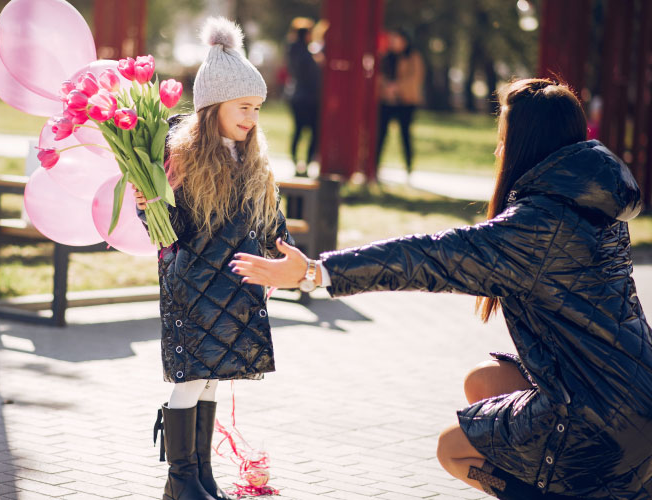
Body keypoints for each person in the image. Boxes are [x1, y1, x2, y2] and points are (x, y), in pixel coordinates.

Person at [230, 78, 652, 499]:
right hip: (634, 398)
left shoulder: (537, 228)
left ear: (528, 145)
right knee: (483, 383)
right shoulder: (593, 202)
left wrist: (316, 272)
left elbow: (431, 258)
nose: (497, 150)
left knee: (453, 449)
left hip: (599, 424)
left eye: (504, 139)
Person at [133, 17, 294, 500]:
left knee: (210, 384)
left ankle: (199, 477)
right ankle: (181, 482)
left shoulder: (254, 160)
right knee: (190, 381)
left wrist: (287, 256)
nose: (251, 117)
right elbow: (173, 234)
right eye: (243, 107)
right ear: (212, 107)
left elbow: (268, 224)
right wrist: (153, 207)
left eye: (257, 109)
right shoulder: (183, 158)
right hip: (192, 287)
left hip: (232, 292)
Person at [375, 30, 424, 177]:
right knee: (381, 134)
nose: (393, 42)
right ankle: (375, 167)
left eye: (396, 39)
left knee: (405, 135)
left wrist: (397, 87)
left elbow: (415, 79)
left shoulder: (413, 57)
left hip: (406, 102)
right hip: (387, 101)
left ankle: (408, 168)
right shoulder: (386, 57)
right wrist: (385, 88)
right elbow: (379, 75)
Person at [284, 17, 321, 176]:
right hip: (308, 97)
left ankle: (297, 161)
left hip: (297, 96)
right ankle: (304, 162)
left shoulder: (292, 49)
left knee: (299, 130)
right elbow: (311, 75)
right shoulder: (304, 52)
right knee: (312, 131)